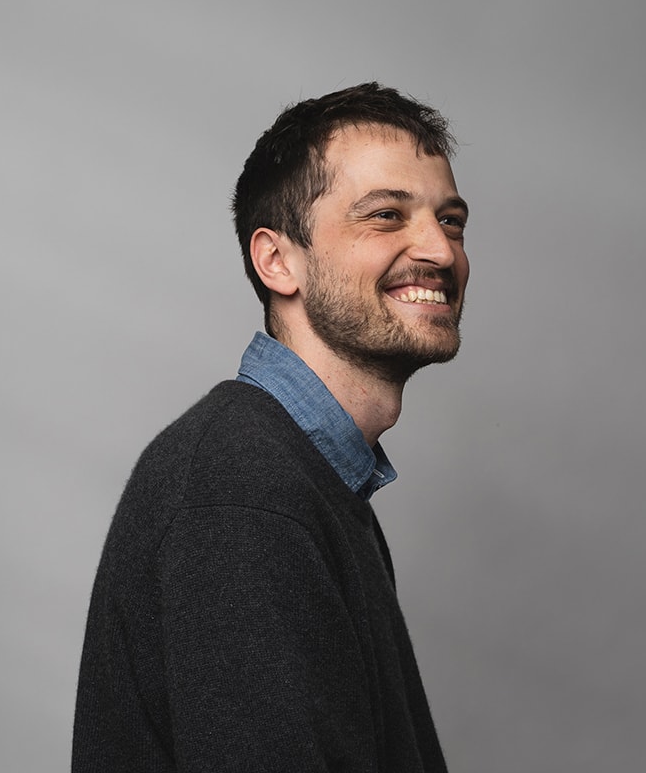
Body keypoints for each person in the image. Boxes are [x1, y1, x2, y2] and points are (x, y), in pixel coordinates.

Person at [72, 82, 470, 772]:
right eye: (386, 215)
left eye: (452, 221)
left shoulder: (307, 478)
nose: (439, 249)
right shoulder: (242, 491)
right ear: (278, 261)